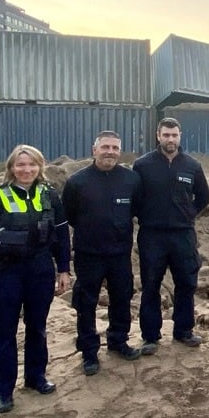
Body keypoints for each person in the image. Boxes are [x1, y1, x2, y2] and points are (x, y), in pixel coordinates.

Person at [0, 144, 71, 414]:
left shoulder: (50, 196)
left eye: (32, 164)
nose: (27, 170)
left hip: (39, 272)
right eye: (21, 165)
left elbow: (61, 236)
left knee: (37, 328)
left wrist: (63, 269)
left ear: (40, 167)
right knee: (5, 333)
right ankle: (3, 390)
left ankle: (36, 378)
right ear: (11, 168)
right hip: (4, 275)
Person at [62, 130, 143, 375]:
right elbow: (70, 216)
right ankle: (89, 352)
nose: (110, 152)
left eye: (115, 148)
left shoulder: (131, 180)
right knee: (86, 303)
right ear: (94, 149)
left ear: (120, 151)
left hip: (120, 253)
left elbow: (136, 210)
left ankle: (118, 341)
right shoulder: (77, 182)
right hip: (89, 254)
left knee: (121, 298)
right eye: (105, 147)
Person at [133, 117, 209, 353]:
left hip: (183, 236)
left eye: (174, 135)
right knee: (151, 285)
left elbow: (203, 198)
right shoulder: (142, 165)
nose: (170, 139)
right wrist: (147, 216)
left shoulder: (192, 166)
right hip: (152, 236)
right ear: (158, 136)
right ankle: (150, 336)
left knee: (186, 283)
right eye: (166, 135)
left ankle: (184, 331)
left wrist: (186, 215)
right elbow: (135, 199)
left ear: (180, 136)